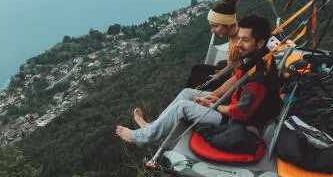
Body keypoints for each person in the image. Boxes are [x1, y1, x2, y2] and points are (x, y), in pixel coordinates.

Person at [116, 14, 281, 146]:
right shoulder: (256, 57)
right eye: (239, 38)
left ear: (259, 43)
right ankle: (152, 128)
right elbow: (237, 80)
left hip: (237, 123)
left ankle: (141, 136)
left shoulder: (259, 77)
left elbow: (240, 112)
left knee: (183, 107)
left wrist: (214, 105)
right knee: (187, 93)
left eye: (245, 40)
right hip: (233, 105)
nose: (238, 44)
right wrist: (214, 96)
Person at [185, 0, 240, 88]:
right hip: (230, 70)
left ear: (227, 24)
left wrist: (217, 76)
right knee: (197, 68)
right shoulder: (235, 30)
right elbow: (231, 64)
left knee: (193, 79)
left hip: (233, 81)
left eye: (215, 26)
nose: (212, 30)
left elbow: (235, 72)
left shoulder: (237, 44)